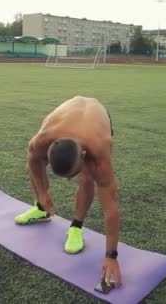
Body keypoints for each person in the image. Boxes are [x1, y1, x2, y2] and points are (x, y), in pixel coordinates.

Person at [14, 96, 121, 287]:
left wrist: (111, 256)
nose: (70, 180)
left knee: (87, 177)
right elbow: (34, 163)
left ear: (83, 154)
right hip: (68, 113)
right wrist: (42, 194)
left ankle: (76, 227)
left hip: (96, 120)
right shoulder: (41, 140)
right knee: (34, 163)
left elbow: (111, 208)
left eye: (72, 174)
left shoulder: (98, 151)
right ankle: (41, 209)